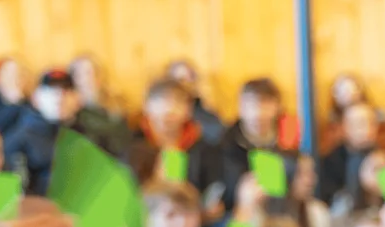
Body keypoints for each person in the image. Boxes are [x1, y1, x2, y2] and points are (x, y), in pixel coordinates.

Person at [125, 78, 225, 214]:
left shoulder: (203, 148)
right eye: (160, 101)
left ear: (188, 110)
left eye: (177, 102)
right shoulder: (131, 145)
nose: (169, 110)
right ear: (146, 106)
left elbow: (213, 192)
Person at [219, 77, 299, 209]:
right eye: (250, 104)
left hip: (283, 212)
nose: (257, 112)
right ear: (240, 107)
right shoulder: (226, 143)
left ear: (277, 106)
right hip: (239, 212)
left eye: (265, 104)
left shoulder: (290, 141)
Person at [3, 67, 85, 195]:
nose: (59, 97)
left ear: (78, 99)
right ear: (36, 98)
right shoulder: (18, 139)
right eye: (50, 90)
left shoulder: (89, 135)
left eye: (65, 91)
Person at [318, 98, 382, 205]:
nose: (367, 129)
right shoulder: (331, 162)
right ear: (345, 128)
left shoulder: (382, 156)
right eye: (360, 124)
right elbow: (330, 206)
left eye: (372, 123)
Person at [67, 53, 132, 157]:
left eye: (94, 72)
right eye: (83, 73)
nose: (90, 78)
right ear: (73, 79)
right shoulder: (71, 114)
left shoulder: (115, 103)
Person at [164, 58, 226, 144]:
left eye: (190, 78)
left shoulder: (207, 116)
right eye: (181, 80)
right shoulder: (159, 118)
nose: (186, 84)